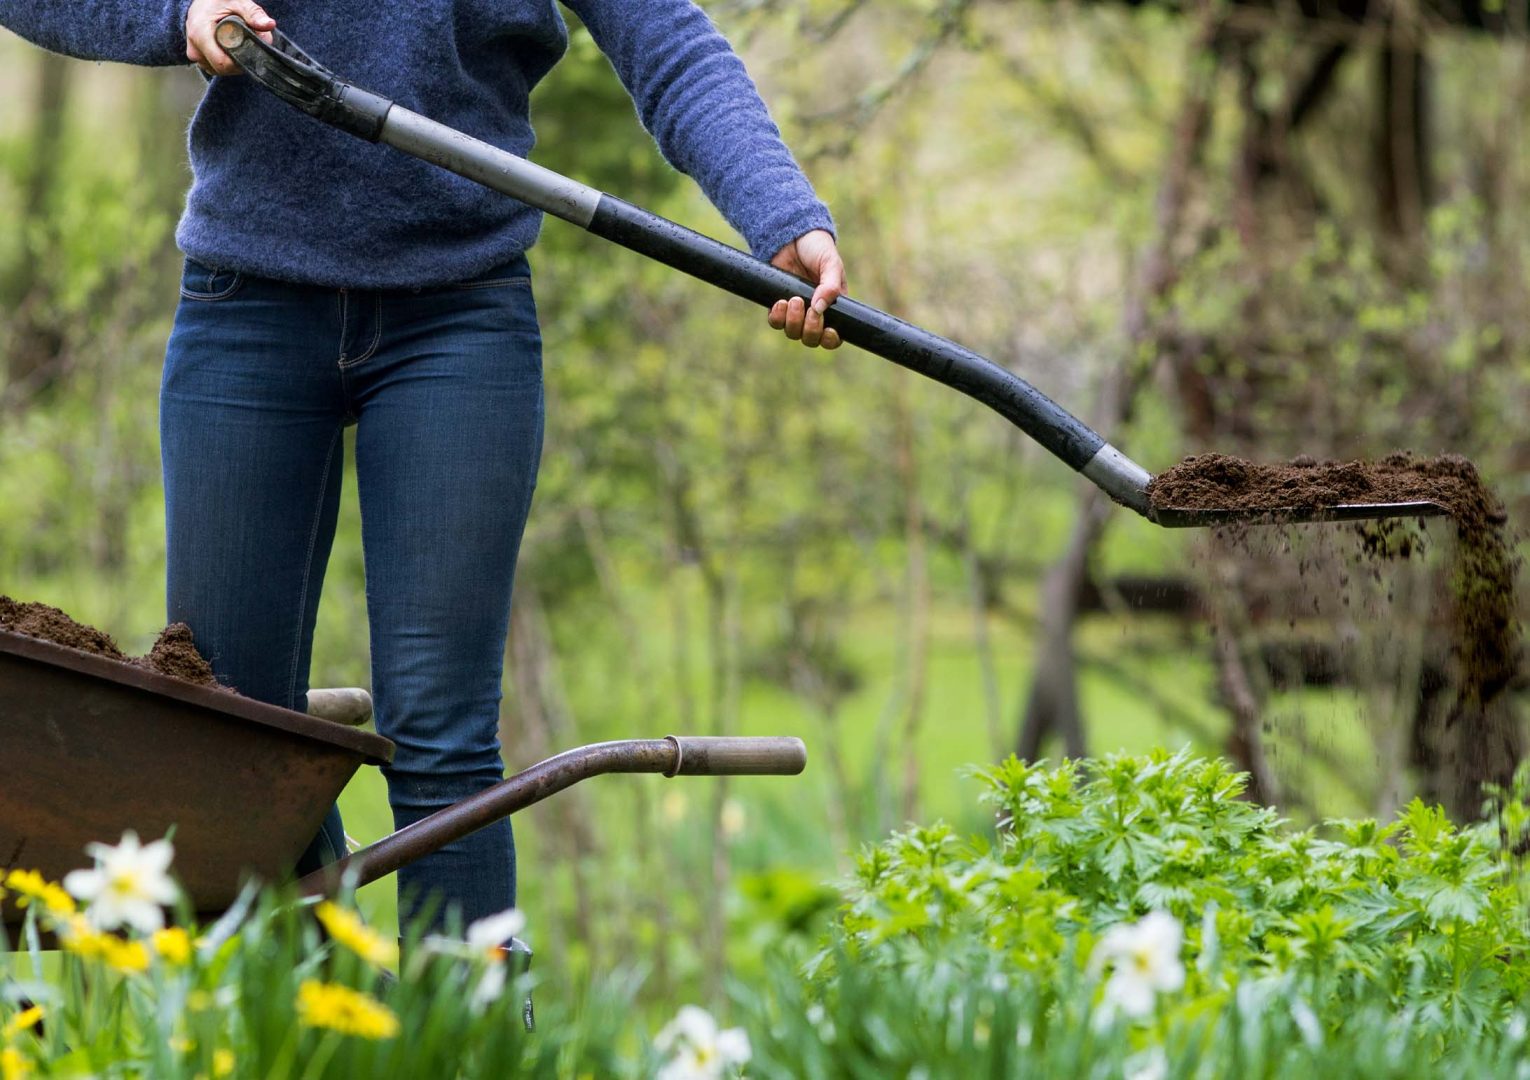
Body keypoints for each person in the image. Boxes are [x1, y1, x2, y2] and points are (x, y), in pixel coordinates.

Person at [0, 0, 845, 939]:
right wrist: (176, 14)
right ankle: (304, 1026)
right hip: (246, 305)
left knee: (441, 733)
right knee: (225, 725)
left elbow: (668, 43)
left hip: (459, 314)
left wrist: (780, 216)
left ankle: (465, 1035)